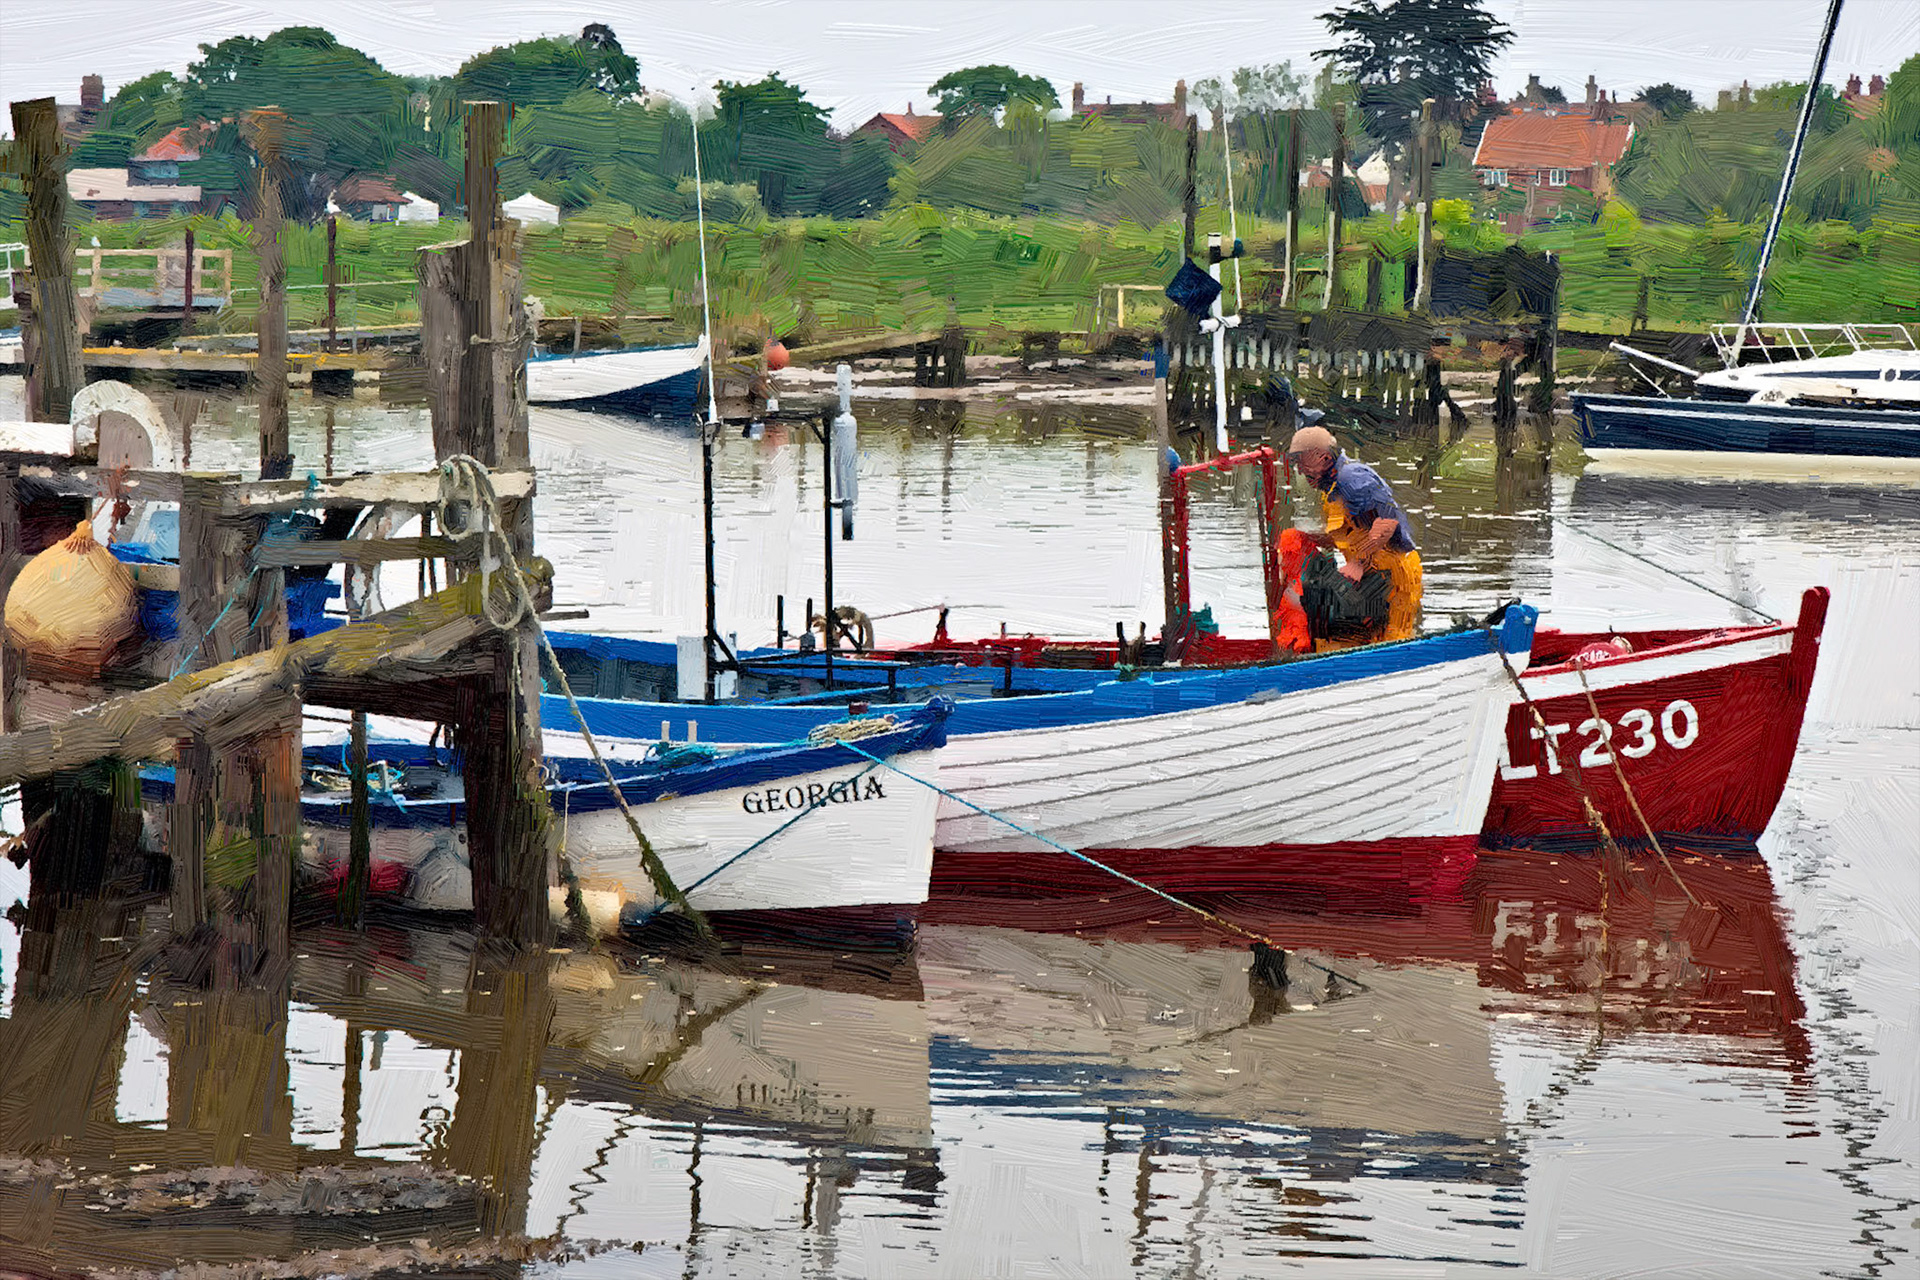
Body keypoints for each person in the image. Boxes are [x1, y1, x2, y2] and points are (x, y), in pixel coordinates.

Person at [1285, 425, 1422, 646]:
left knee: (1392, 642)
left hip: (1395, 577)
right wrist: (1308, 539)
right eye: (1295, 463)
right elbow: (1349, 535)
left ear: (1325, 458)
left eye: (1302, 461)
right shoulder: (1329, 488)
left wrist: (1358, 563)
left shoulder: (1352, 480)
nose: (1299, 470)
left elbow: (1386, 524)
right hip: (1370, 578)